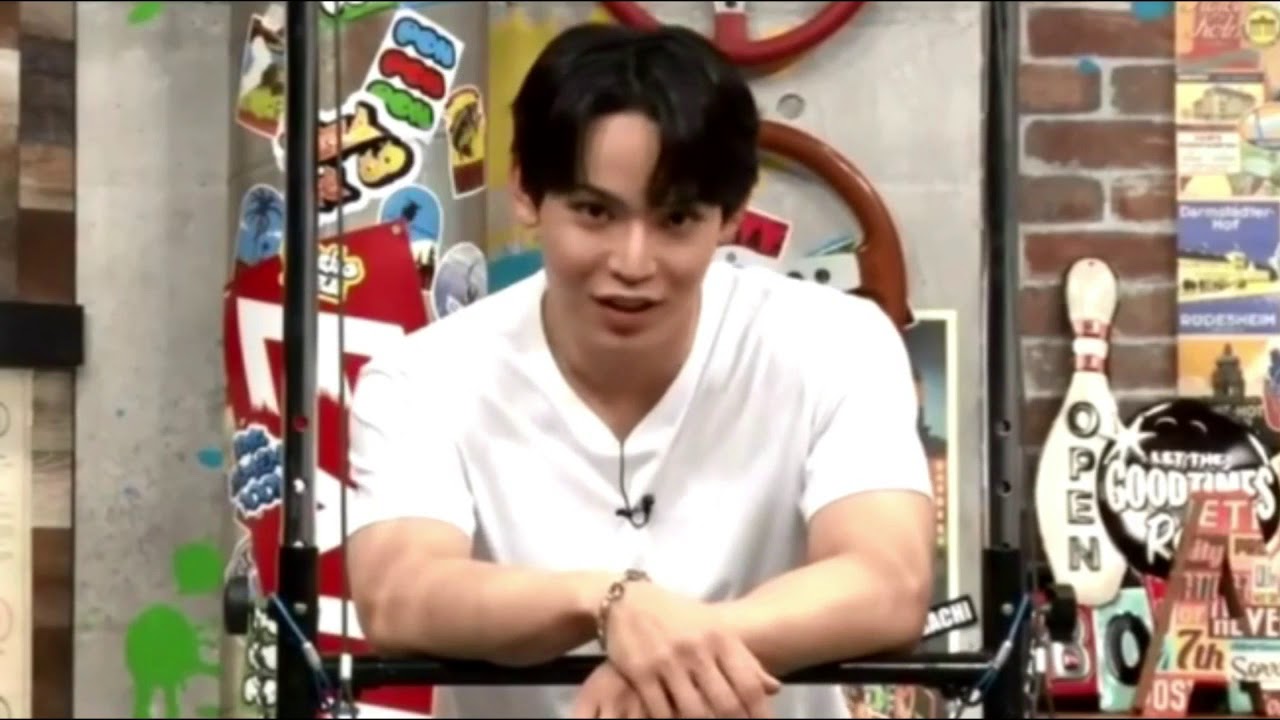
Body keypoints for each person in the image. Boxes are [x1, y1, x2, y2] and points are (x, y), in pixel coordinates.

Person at [345, 21, 936, 720]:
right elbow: (400, 592)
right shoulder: (422, 377)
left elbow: (888, 581)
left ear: (731, 215)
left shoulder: (836, 341)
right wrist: (608, 604)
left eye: (676, 220)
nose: (632, 262)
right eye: (595, 212)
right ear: (527, 192)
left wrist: (672, 651)